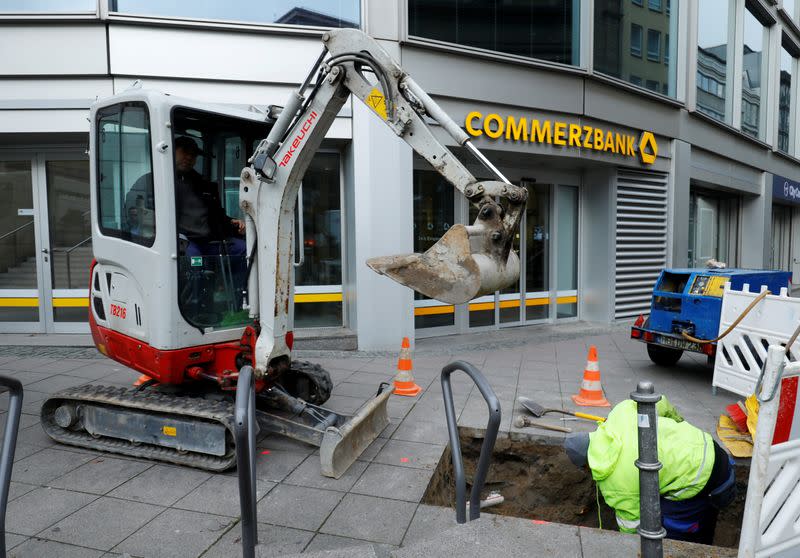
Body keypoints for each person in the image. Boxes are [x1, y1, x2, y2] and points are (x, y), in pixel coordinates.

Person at [563, 396, 736, 545]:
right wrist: (677, 423)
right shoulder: (620, 412)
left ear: (586, 465)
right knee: (703, 519)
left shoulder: (613, 483)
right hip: (710, 448)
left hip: (699, 480)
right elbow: (661, 402)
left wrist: (632, 549)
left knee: (672, 533)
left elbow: (631, 527)